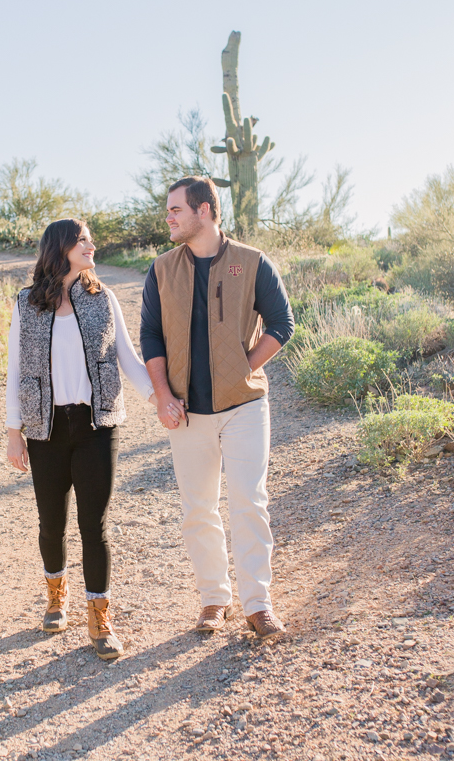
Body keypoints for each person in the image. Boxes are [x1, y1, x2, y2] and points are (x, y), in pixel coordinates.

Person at [140, 176, 294, 639]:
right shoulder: (161, 269)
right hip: (187, 412)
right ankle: (213, 599)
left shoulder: (252, 262)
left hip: (245, 405)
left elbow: (282, 323)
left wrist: (243, 366)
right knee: (198, 509)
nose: (168, 217)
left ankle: (258, 604)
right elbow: (150, 336)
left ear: (204, 211)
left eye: (175, 210)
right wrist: (164, 397)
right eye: (168, 211)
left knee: (249, 502)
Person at [4, 218, 155, 660]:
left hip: (96, 428)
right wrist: (14, 434)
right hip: (45, 430)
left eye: (90, 239)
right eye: (82, 240)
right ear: (61, 248)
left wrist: (161, 399)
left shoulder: (103, 299)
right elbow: (15, 372)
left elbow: (127, 357)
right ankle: (56, 595)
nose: (91, 245)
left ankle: (99, 616)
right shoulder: (25, 304)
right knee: (51, 524)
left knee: (95, 526)